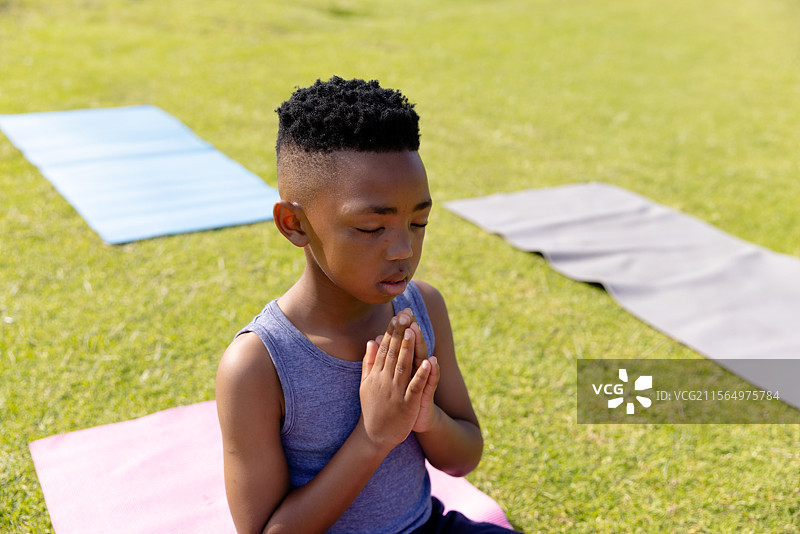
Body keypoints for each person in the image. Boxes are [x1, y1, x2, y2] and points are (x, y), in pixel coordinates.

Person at [216, 76, 520, 534]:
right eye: (371, 229)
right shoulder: (258, 365)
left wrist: (425, 417)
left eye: (418, 222)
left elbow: (464, 457)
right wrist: (373, 437)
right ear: (294, 223)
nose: (403, 250)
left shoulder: (423, 307)